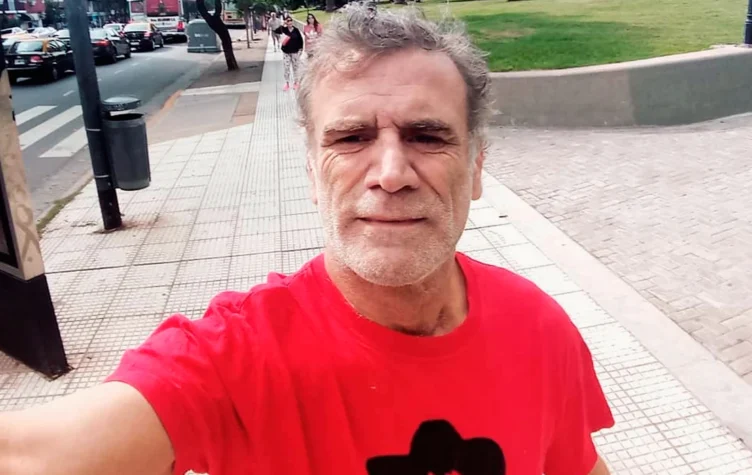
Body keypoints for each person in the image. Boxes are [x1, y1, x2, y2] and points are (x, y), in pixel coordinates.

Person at [0, 6, 614, 475]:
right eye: (351, 138)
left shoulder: (539, 325)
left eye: (428, 137)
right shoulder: (234, 359)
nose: (391, 173)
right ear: (313, 170)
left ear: (476, 168)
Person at [273, 16, 304, 91]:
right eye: (288, 21)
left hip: (295, 52)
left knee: (295, 68)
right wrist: (282, 25)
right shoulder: (284, 29)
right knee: (286, 68)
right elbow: (276, 31)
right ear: (286, 22)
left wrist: (300, 50)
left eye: (290, 21)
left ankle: (296, 83)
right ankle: (287, 83)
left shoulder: (296, 30)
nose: (289, 22)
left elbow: (300, 40)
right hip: (286, 52)